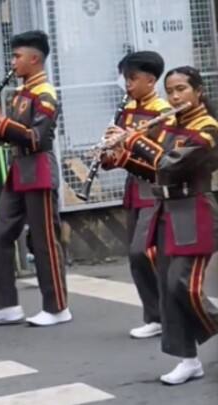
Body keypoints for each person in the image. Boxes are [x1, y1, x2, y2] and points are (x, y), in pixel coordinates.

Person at [102, 66, 218, 385]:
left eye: (182, 89)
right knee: (168, 290)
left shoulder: (208, 128)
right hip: (165, 210)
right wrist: (120, 157)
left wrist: (136, 140)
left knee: (185, 284)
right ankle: (188, 359)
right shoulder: (169, 126)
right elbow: (155, 171)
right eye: (171, 90)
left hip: (195, 210)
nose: (176, 96)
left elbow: (170, 164)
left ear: (198, 92)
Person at [0, 30, 71, 327]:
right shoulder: (20, 93)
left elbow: (34, 138)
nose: (13, 62)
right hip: (18, 170)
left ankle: (57, 307)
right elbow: (10, 134)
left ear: (35, 59)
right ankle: (6, 305)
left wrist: (0, 120)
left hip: (39, 170)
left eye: (17, 57)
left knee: (44, 241)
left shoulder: (45, 94)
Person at [100, 51, 173, 339]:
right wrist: (107, 156)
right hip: (133, 190)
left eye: (133, 79)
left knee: (142, 252)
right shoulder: (126, 110)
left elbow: (162, 158)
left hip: (153, 188)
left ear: (151, 80)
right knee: (134, 254)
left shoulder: (162, 111)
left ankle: (169, 313)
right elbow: (119, 153)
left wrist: (132, 144)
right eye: (126, 78)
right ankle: (154, 316)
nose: (127, 85)